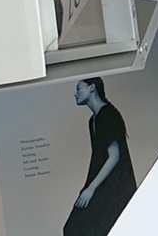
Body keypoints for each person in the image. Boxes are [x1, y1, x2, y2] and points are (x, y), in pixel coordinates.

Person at [63, 78, 137, 236]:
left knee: (78, 229)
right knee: (74, 229)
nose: (75, 94)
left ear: (91, 88)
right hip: (103, 184)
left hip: (115, 187)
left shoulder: (108, 114)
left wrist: (91, 189)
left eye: (78, 88)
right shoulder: (94, 120)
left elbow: (114, 157)